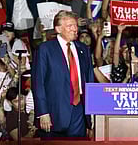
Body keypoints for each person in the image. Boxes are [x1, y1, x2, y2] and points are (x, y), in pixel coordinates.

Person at [31, 11, 94, 139]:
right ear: (58, 29)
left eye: (75, 25)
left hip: (79, 111)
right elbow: (38, 82)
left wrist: (91, 112)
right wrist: (43, 112)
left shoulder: (83, 49)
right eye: (70, 26)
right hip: (54, 111)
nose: (75, 29)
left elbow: (89, 80)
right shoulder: (45, 49)